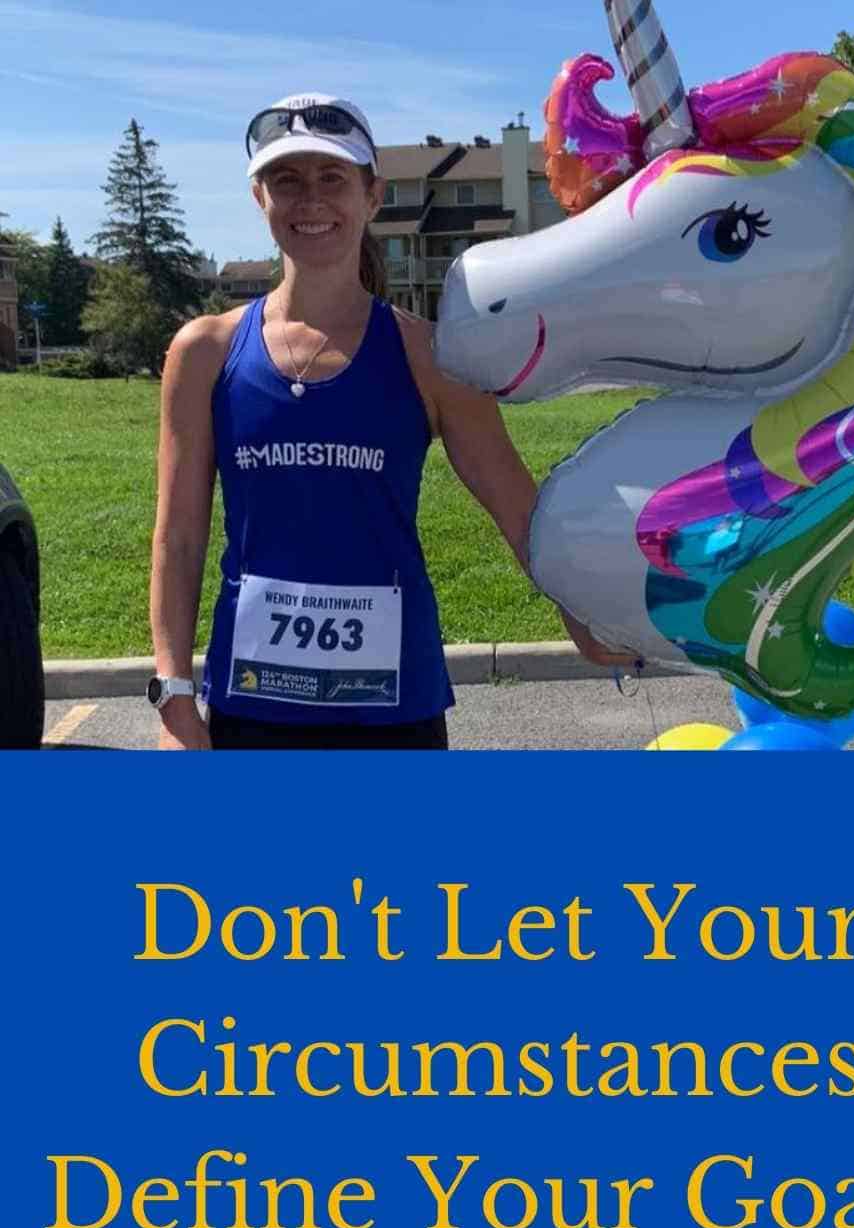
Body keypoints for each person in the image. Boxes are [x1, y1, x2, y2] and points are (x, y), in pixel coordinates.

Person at [150, 92, 633, 750]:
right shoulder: (204, 352)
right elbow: (178, 539)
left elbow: (515, 503)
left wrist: (580, 607)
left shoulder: (430, 357)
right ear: (260, 198)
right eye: (286, 180)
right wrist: (174, 694)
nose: (310, 201)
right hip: (255, 698)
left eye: (333, 179)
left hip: (391, 707)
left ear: (372, 197)